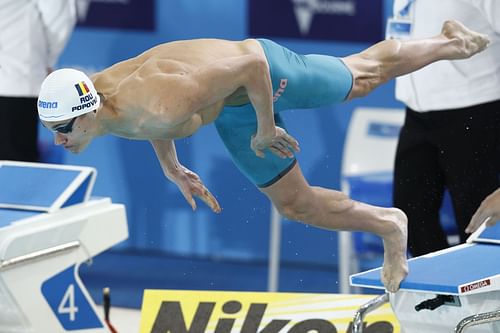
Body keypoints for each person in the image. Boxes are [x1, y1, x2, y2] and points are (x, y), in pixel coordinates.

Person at [37, 20, 489, 292]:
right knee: (296, 206)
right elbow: (149, 125)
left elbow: (249, 66)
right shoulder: (106, 105)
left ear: (86, 112)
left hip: (261, 75)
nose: (58, 142)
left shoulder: (157, 101)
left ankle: (449, 42)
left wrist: (267, 128)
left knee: (362, 76)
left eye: (61, 130)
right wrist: (172, 168)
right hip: (232, 109)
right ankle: (392, 224)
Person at [390, 0, 500, 257]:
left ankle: (488, 295)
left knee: (477, 222)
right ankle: (437, 293)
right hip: (417, 114)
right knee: (410, 215)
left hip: (476, 111)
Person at [0, 0, 78, 162]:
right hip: (17, 78)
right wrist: (47, 60)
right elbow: (58, 18)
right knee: (17, 172)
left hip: (15, 83)